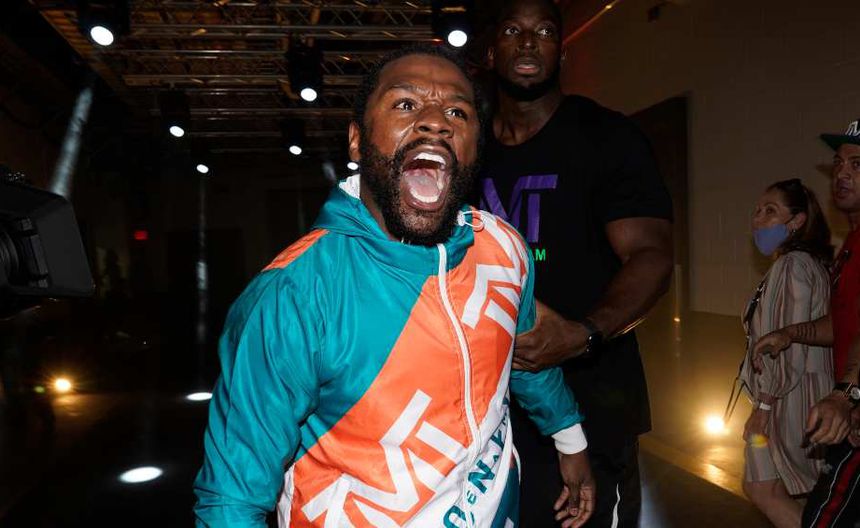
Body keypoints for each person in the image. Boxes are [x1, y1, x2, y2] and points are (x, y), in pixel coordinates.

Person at [194, 45, 595, 527]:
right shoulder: (293, 294)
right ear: (357, 141)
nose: (436, 122)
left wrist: (570, 441)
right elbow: (232, 499)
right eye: (406, 104)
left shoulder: (504, 248)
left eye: (457, 112)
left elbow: (525, 354)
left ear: (475, 146)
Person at [477, 0, 674, 526]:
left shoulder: (606, 137)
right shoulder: (469, 151)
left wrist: (583, 333)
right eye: (513, 30)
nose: (528, 41)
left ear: (560, 52)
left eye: (543, 31)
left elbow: (651, 256)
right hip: (490, 414)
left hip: (594, 403)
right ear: (490, 51)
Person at [754, 119, 860, 527]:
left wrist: (845, 396)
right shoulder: (851, 245)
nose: (842, 173)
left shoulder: (794, 265)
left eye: (857, 165)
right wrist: (789, 333)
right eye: (838, 164)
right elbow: (843, 323)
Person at [739, 179, 833, 527]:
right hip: (800, 395)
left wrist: (763, 408)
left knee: (762, 487)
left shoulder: (791, 266)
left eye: (771, 211)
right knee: (795, 492)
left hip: (787, 400)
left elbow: (783, 345)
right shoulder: (810, 264)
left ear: (796, 221)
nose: (758, 219)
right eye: (757, 211)